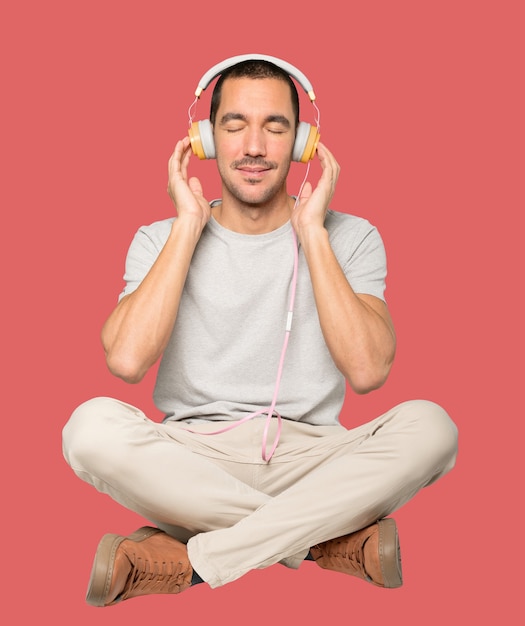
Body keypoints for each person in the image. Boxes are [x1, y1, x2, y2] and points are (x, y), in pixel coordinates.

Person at [62, 54, 458, 607]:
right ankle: (322, 541)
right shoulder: (159, 238)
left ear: (303, 144)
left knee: (432, 427)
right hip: (192, 461)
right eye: (234, 125)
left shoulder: (352, 235)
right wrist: (187, 227)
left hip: (314, 461)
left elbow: (369, 372)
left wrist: (313, 234)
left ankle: (197, 559)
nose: (254, 146)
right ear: (205, 139)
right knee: (88, 430)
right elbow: (126, 361)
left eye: (275, 128)